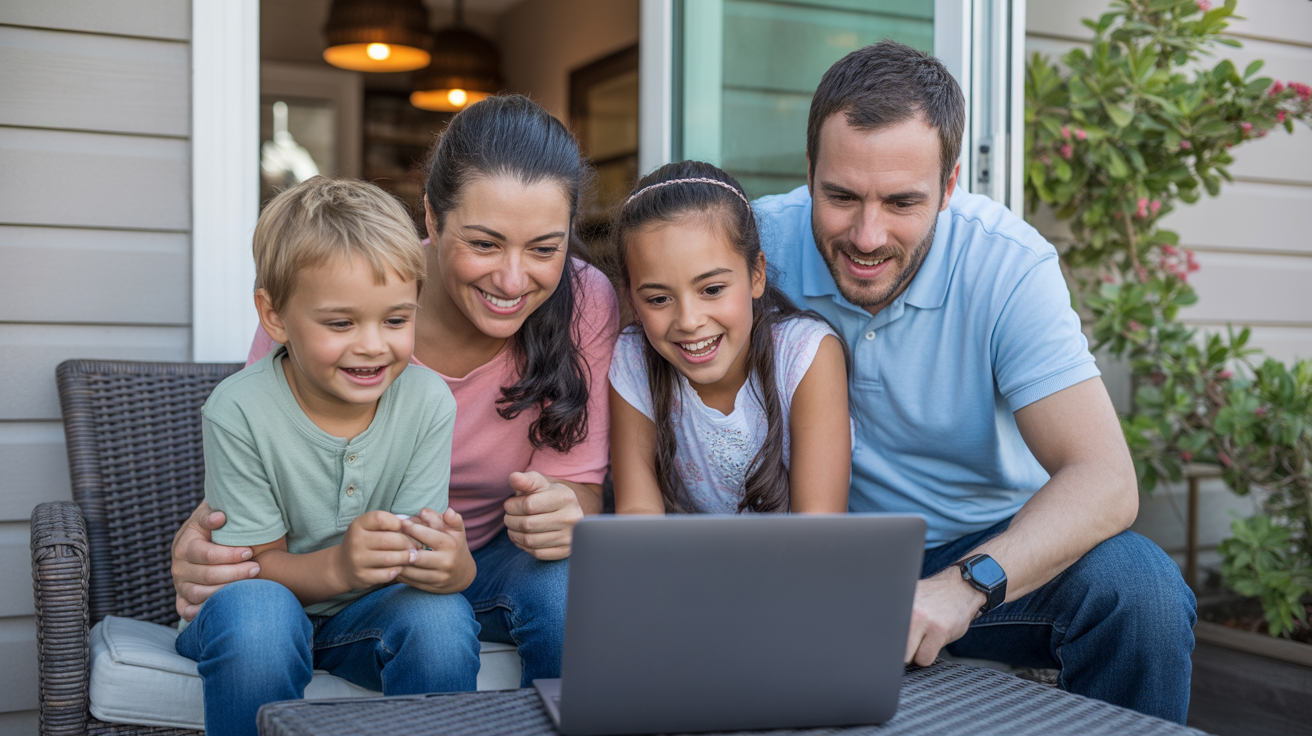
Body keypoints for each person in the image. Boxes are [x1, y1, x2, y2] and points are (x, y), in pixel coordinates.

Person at [753, 41, 1196, 723]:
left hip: (979, 543)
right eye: (841, 196)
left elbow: (1105, 480)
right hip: (814, 548)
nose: (867, 236)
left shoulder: (1008, 267)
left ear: (951, 186)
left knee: (1143, 591)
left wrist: (966, 585)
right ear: (808, 170)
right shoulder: (754, 247)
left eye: (902, 201)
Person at [170, 95, 620, 686]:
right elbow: (268, 436)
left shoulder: (584, 301)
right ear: (432, 218)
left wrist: (566, 513)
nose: (513, 279)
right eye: (484, 243)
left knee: (565, 586)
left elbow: (578, 487)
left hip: (472, 562)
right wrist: (205, 543)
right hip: (320, 559)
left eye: (544, 248)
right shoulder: (331, 294)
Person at [176, 177, 479, 736]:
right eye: (341, 323)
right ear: (274, 317)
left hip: (366, 617)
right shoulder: (238, 410)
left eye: (395, 319)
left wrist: (454, 568)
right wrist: (341, 565)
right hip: (254, 609)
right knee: (261, 620)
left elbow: (414, 560)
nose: (372, 344)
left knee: (440, 619)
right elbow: (250, 569)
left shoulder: (426, 402)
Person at [608, 161, 850, 515]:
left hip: (796, 566)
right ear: (632, 300)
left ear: (756, 275)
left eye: (712, 289)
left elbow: (819, 529)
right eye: (659, 299)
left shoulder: (805, 356)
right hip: (684, 568)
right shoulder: (633, 360)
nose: (689, 321)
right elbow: (638, 515)